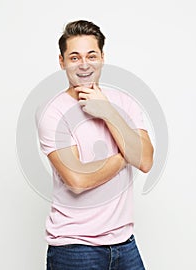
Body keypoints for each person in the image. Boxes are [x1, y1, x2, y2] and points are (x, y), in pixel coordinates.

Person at [37, 20, 154, 270]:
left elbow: (145, 161)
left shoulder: (124, 102)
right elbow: (77, 180)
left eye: (92, 55)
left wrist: (108, 112)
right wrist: (126, 154)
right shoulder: (53, 112)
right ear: (62, 61)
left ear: (102, 57)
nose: (84, 65)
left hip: (125, 243)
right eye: (75, 57)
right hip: (75, 249)